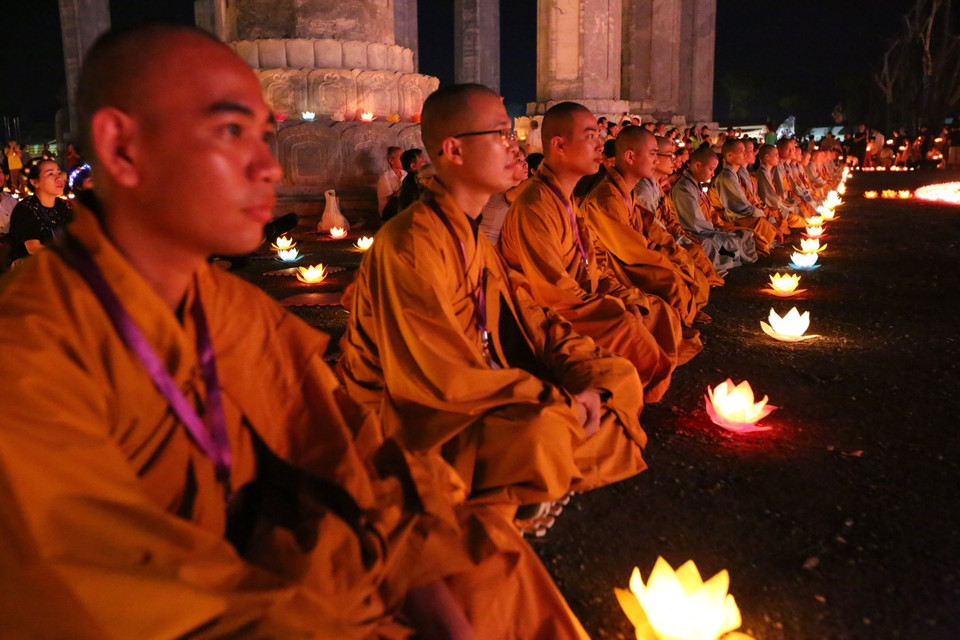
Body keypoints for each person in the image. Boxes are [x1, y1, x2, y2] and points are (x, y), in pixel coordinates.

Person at [0, 26, 591, 639]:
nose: (267, 166)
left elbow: (343, 452)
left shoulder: (231, 306)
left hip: (323, 566)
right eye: (232, 132)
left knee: (494, 569)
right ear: (121, 148)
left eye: (264, 135)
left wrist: (421, 585)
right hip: (257, 609)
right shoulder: (32, 352)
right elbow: (91, 590)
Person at [339, 84, 646, 531]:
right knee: (542, 429)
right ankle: (510, 491)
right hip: (419, 418)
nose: (516, 148)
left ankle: (525, 483)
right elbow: (440, 380)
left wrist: (586, 369)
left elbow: (528, 318)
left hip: (487, 380)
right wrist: (557, 398)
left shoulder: (469, 235)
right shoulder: (410, 243)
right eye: (502, 135)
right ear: (454, 150)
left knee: (618, 377)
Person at [499, 101, 696, 403]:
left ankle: (646, 380)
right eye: (591, 136)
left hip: (581, 297)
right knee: (626, 322)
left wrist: (620, 294)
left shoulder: (568, 200)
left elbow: (593, 266)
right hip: (546, 313)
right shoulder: (534, 206)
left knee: (655, 309)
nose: (600, 144)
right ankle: (634, 388)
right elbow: (553, 291)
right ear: (559, 144)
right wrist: (610, 306)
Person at [580, 126, 709, 329]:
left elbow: (651, 227)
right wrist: (667, 259)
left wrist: (671, 250)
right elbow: (632, 251)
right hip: (621, 269)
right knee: (672, 281)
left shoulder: (626, 191)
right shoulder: (607, 198)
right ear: (630, 156)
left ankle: (683, 312)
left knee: (686, 260)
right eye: (653, 154)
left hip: (638, 257)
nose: (656, 161)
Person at [670, 145, 756, 269]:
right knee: (719, 241)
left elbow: (709, 212)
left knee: (743, 234)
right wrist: (717, 230)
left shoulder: (695, 185)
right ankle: (730, 259)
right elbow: (694, 222)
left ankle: (732, 256)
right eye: (711, 169)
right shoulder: (684, 187)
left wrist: (720, 226)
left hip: (707, 228)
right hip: (695, 232)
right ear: (697, 166)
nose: (713, 174)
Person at [709, 139, 779, 254]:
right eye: (742, 151)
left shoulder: (734, 174)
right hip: (727, 218)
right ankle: (762, 246)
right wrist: (760, 212)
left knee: (765, 219)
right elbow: (738, 206)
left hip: (740, 213)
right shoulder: (727, 177)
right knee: (759, 222)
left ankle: (765, 243)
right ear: (730, 155)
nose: (745, 154)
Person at [7, 158, 72, 266]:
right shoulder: (26, 208)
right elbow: (33, 248)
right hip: (32, 268)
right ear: (35, 182)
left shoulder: (64, 206)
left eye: (59, 173)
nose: (59, 178)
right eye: (50, 174)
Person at [479, 148, 528, 244]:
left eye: (525, 159)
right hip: (487, 253)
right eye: (519, 160)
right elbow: (532, 184)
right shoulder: (499, 191)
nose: (525, 164)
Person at [376, 145, 405, 217]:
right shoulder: (384, 178)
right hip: (389, 212)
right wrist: (406, 186)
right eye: (400, 157)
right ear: (391, 160)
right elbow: (391, 200)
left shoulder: (406, 174)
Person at [396, 147, 427, 211]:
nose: (426, 162)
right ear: (413, 166)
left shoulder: (409, 180)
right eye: (422, 160)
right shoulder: (415, 183)